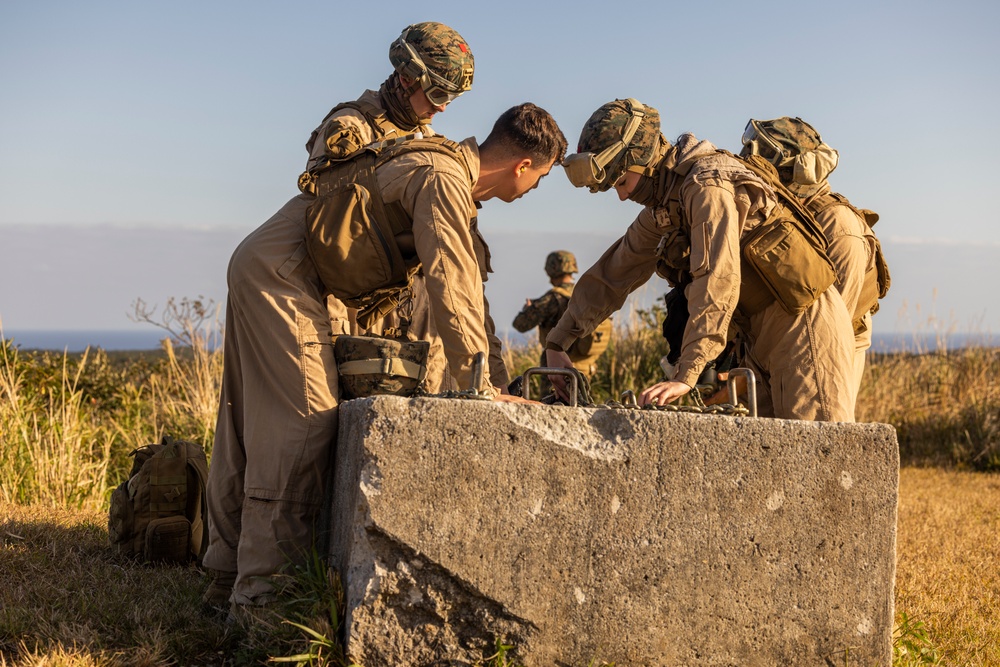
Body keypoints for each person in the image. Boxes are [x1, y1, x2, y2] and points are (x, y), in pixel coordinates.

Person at [202, 103, 567, 614]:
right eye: (541, 179)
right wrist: (478, 383)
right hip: (284, 277)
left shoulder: (434, 161)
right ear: (523, 166)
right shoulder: (444, 179)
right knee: (304, 426)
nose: (531, 192)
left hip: (268, 262)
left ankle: (222, 578)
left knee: (245, 422)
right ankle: (264, 605)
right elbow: (454, 283)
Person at [548, 98, 857, 421]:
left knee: (815, 456)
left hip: (803, 331)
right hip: (757, 342)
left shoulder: (707, 185)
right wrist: (559, 343)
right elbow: (613, 273)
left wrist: (687, 372)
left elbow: (717, 277)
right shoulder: (667, 204)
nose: (622, 196)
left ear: (644, 160)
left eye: (622, 182)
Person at [298, 21, 492, 395]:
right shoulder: (349, 129)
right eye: (437, 93)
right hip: (357, 313)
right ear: (407, 78)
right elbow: (335, 234)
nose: (442, 107)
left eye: (452, 97)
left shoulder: (429, 141)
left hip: (416, 317)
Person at [740, 117, 884, 394]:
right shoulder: (792, 215)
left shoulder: (839, 228)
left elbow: (829, 329)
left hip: (827, 359)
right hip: (784, 352)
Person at [512, 250, 612, 381]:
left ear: (551, 269)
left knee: (554, 401)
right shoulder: (585, 296)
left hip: (557, 368)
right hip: (586, 370)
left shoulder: (553, 298)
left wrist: (527, 310)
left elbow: (520, 324)